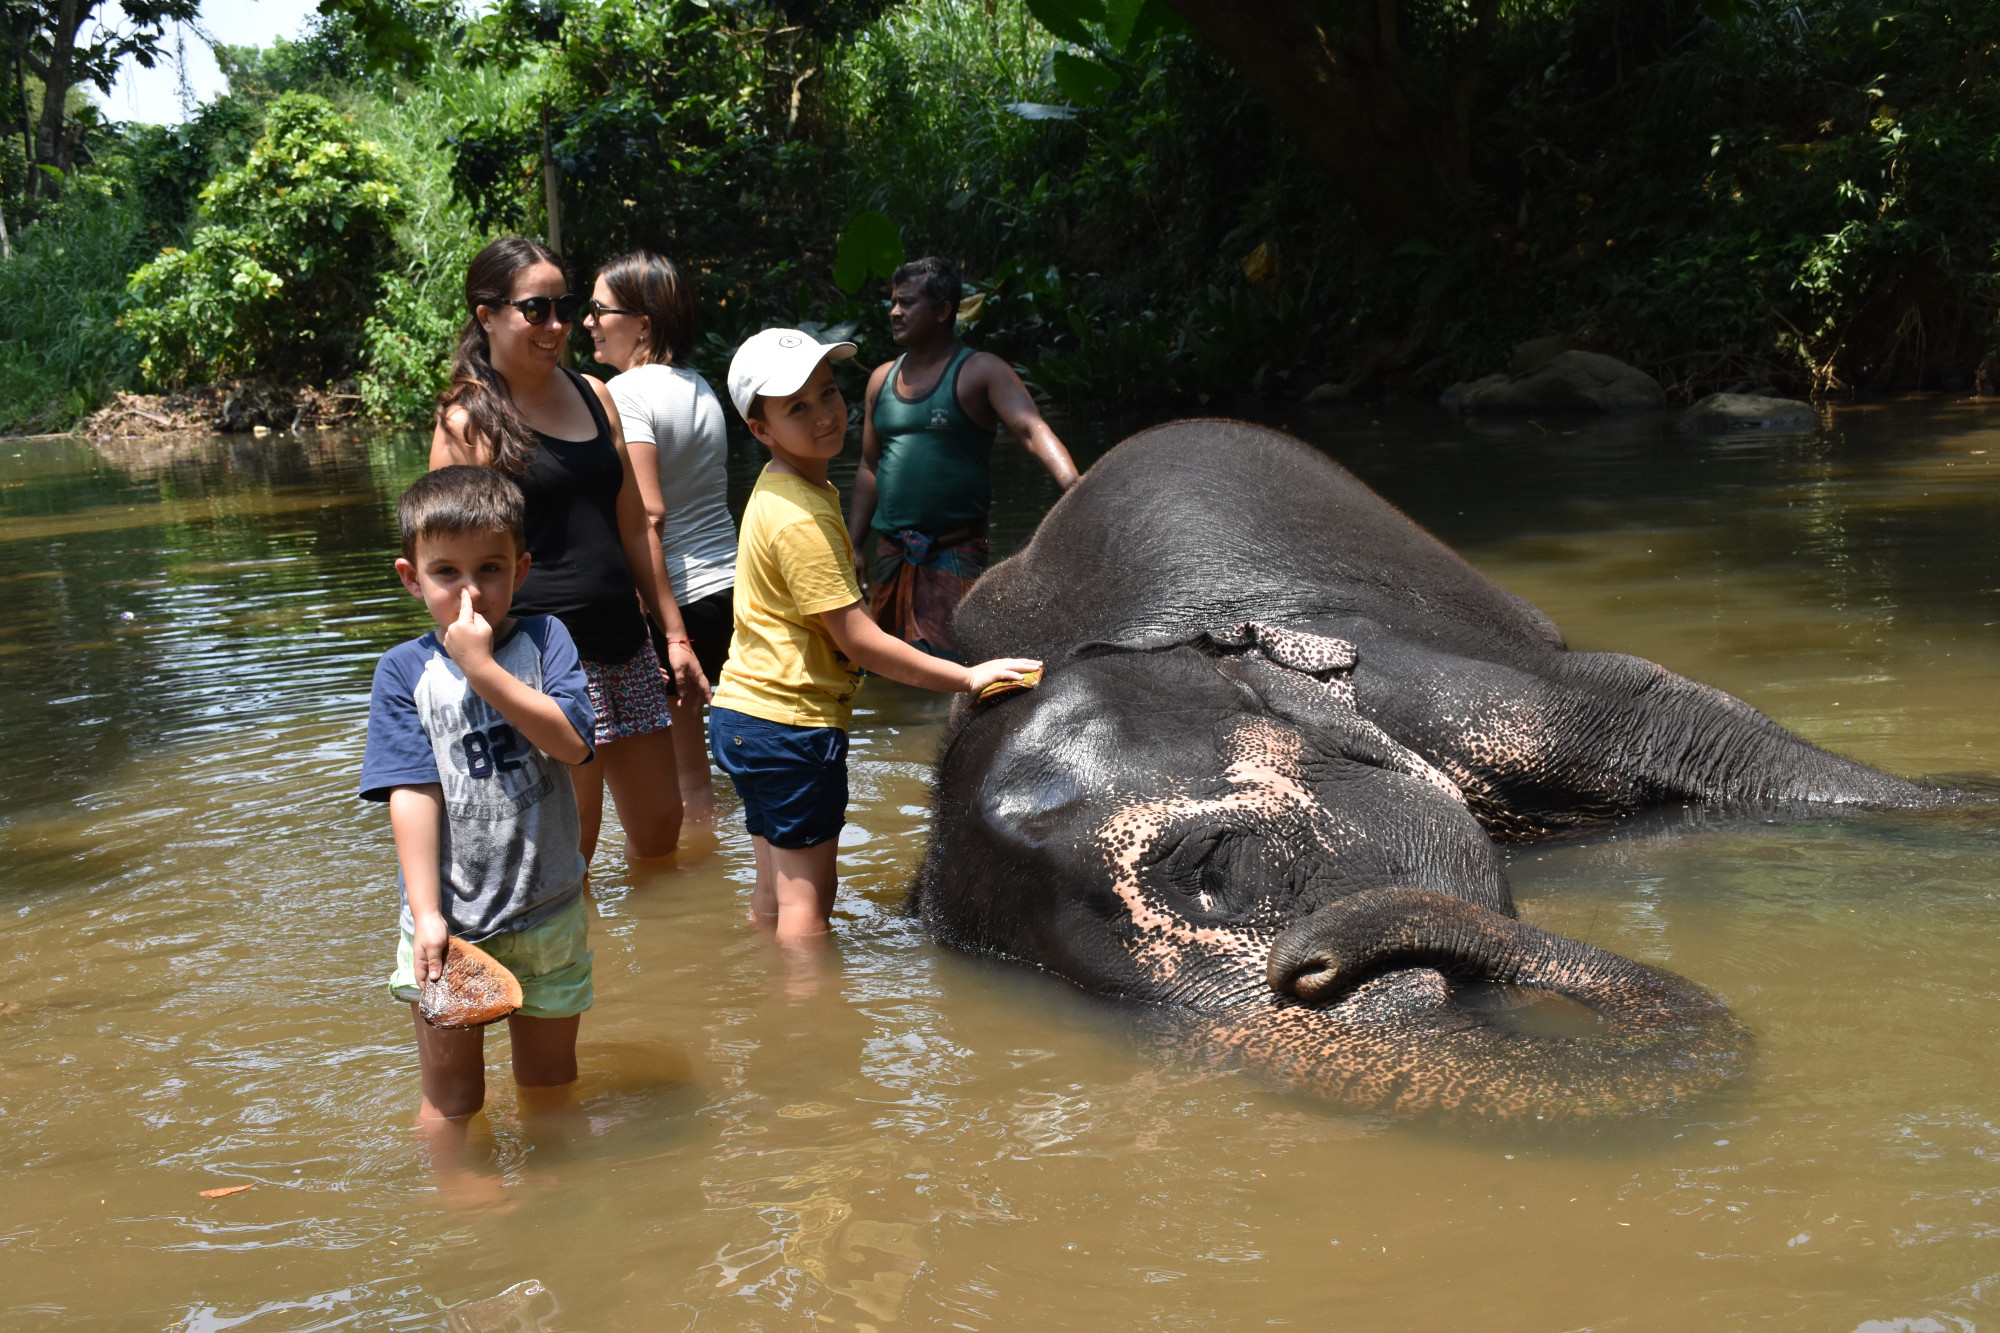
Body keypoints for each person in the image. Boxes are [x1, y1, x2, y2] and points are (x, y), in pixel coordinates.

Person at [712, 328, 1041, 944]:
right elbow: (858, 641)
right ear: (761, 430)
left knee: (773, 895)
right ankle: (812, 1030)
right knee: (811, 908)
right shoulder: (801, 515)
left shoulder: (788, 489)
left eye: (828, 394)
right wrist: (966, 676)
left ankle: (767, 1011)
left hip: (744, 716)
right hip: (791, 728)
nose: (825, 414)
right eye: (797, 408)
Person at [431, 236, 708, 864]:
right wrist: (477, 665)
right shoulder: (467, 423)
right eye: (536, 310)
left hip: (622, 644)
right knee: (570, 849)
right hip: (542, 660)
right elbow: (446, 563)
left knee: (661, 831)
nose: (556, 325)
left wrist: (675, 635)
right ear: (488, 315)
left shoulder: (595, 394)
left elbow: (636, 528)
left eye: (564, 306)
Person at [360, 466, 596, 1161]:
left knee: (552, 1084)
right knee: (453, 1099)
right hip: (450, 930)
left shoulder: (547, 639)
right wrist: (427, 914)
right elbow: (413, 793)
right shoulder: (403, 673)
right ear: (411, 577)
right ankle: (462, 1213)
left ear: (521, 569)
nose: (470, 591)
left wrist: (483, 669)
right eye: (446, 572)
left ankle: (558, 1198)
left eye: (490, 569)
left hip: (548, 912)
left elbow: (573, 742)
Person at [847, 255, 1080, 660]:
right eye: (893, 302)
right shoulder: (880, 379)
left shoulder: (980, 371)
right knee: (883, 664)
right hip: (892, 553)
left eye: (907, 303)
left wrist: (1077, 489)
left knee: (958, 666)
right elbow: (870, 466)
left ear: (942, 311)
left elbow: (1030, 429)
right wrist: (853, 544)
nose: (894, 312)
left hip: (953, 550)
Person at [585, 250, 734, 822]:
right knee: (721, 758)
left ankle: (694, 895)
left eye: (600, 309)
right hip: (729, 585)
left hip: (677, 600)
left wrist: (656, 620)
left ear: (643, 322)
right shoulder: (699, 386)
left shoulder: (626, 394)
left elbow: (649, 513)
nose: (590, 322)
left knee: (686, 780)